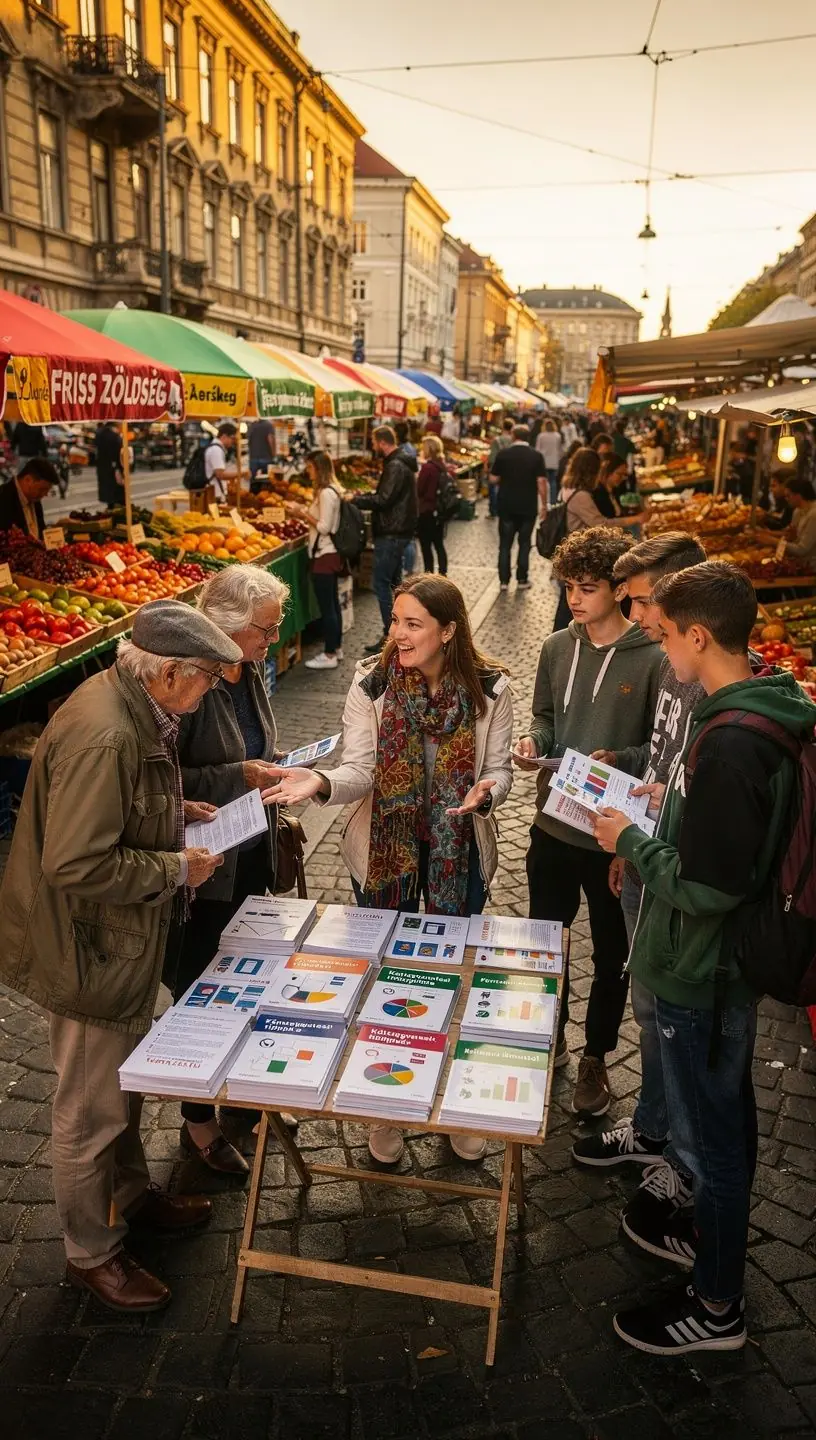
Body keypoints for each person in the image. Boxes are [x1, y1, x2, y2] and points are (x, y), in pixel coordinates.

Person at [594, 562, 816, 1356]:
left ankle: (717, 1304)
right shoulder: (770, 706)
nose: (663, 655)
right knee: (726, 1130)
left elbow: (708, 887)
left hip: (703, 970)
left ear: (698, 635)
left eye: (664, 637)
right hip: (722, 967)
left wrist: (632, 841)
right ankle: (707, 1252)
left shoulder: (729, 742)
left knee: (716, 1144)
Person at [0, 601, 243, 1313]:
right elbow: (75, 860)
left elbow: (116, 809)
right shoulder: (108, 732)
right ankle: (90, 1253)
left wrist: (175, 814)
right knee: (90, 1110)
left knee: (124, 1089)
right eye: (206, 680)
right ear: (169, 672)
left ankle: (131, 1200)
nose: (209, 693)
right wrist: (175, 868)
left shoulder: (132, 704)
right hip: (89, 944)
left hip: (116, 941)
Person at [261, 574, 514, 1165]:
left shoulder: (491, 688)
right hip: (384, 850)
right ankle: (386, 1109)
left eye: (412, 623)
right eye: (395, 620)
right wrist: (322, 782)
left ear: (448, 631)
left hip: (459, 846)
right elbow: (361, 770)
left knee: (455, 971)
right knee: (390, 976)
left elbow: (500, 769)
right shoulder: (371, 685)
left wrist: (488, 792)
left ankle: (456, 1102)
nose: (396, 633)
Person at [570, 532, 707, 1171]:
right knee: (649, 1011)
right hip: (644, 854)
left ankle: (680, 1161)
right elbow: (663, 758)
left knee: (676, 1027)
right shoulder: (674, 667)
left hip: (678, 880)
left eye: (646, 601)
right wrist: (626, 785)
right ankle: (654, 1128)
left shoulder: (705, 676)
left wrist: (643, 839)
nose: (639, 616)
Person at [514, 526, 661, 1116]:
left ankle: (596, 1056)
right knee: (545, 945)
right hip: (552, 825)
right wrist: (535, 741)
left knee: (608, 953)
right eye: (569, 586)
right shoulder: (555, 647)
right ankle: (548, 1037)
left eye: (588, 588)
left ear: (619, 591)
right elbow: (547, 716)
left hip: (610, 834)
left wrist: (622, 759)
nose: (575, 598)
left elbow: (660, 747)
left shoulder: (652, 657)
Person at [175, 566, 291, 1172]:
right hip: (205, 864)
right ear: (224, 627)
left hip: (251, 849)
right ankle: (198, 1122)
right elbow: (161, 780)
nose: (271, 641)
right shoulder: (189, 681)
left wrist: (275, 766)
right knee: (201, 987)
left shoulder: (246, 670)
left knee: (252, 971)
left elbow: (256, 745)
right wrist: (237, 776)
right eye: (264, 631)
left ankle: (244, 1091)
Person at [354, 425, 418, 654]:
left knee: (381, 584)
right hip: (399, 531)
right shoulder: (403, 463)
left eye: (373, 442)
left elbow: (384, 499)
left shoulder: (395, 465)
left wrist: (357, 500)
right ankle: (398, 632)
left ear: (382, 442)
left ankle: (390, 634)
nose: (372, 447)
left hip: (391, 532)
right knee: (395, 585)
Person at [286, 450, 345, 670]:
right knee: (333, 605)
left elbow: (324, 527)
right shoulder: (328, 491)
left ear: (318, 468)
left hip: (325, 555)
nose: (307, 471)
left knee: (328, 607)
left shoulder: (326, 493)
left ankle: (330, 653)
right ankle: (336, 648)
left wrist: (303, 514)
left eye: (310, 467)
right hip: (326, 553)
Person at [490, 423, 547, 592]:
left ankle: (504, 581)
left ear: (513, 436)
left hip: (506, 506)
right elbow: (541, 482)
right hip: (527, 506)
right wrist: (544, 504)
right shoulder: (536, 456)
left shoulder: (503, 454)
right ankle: (522, 579)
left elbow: (493, 479)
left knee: (505, 545)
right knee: (524, 543)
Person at [757, 474, 816, 568]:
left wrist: (773, 541)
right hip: (796, 563)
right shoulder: (797, 510)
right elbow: (790, 535)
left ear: (798, 495)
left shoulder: (813, 515)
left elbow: (802, 549)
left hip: (810, 568)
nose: (786, 499)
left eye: (788, 496)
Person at [0, 456, 59, 538]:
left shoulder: (34, 498)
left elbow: (40, 532)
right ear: (28, 480)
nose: (45, 494)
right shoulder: (4, 498)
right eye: (42, 489)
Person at [416, 434, 449, 575]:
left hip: (427, 510)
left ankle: (428, 574)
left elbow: (419, 489)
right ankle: (443, 573)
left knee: (426, 545)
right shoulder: (441, 465)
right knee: (439, 544)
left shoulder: (428, 468)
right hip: (439, 510)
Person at [487, 418, 514, 518]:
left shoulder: (497, 440)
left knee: (493, 488)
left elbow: (492, 457)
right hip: (510, 468)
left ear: (503, 427)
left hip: (497, 467)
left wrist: (490, 467)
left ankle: (493, 511)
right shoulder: (513, 440)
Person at [205, 422, 238, 500]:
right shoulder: (216, 450)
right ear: (224, 436)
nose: (233, 441)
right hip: (215, 494)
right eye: (232, 438)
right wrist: (240, 474)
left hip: (215, 492)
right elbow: (220, 474)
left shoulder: (216, 448)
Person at [95, 420, 124, 507]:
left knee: (110, 500)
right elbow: (119, 455)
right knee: (118, 498)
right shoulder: (115, 436)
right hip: (114, 470)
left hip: (103, 468)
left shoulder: (99, 434)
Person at [535, 418, 563, 504]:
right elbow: (560, 449)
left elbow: (538, 449)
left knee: (543, 481)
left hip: (543, 461)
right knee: (553, 481)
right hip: (554, 461)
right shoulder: (557, 436)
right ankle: (553, 500)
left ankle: (545, 500)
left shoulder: (541, 436)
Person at [247, 417, 276, 487]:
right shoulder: (268, 425)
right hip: (266, 457)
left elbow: (248, 439)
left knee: (253, 480)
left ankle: (253, 495)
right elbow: (270, 439)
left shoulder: (252, 425)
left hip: (253, 457)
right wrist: (274, 454)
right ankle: (264, 494)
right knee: (266, 480)